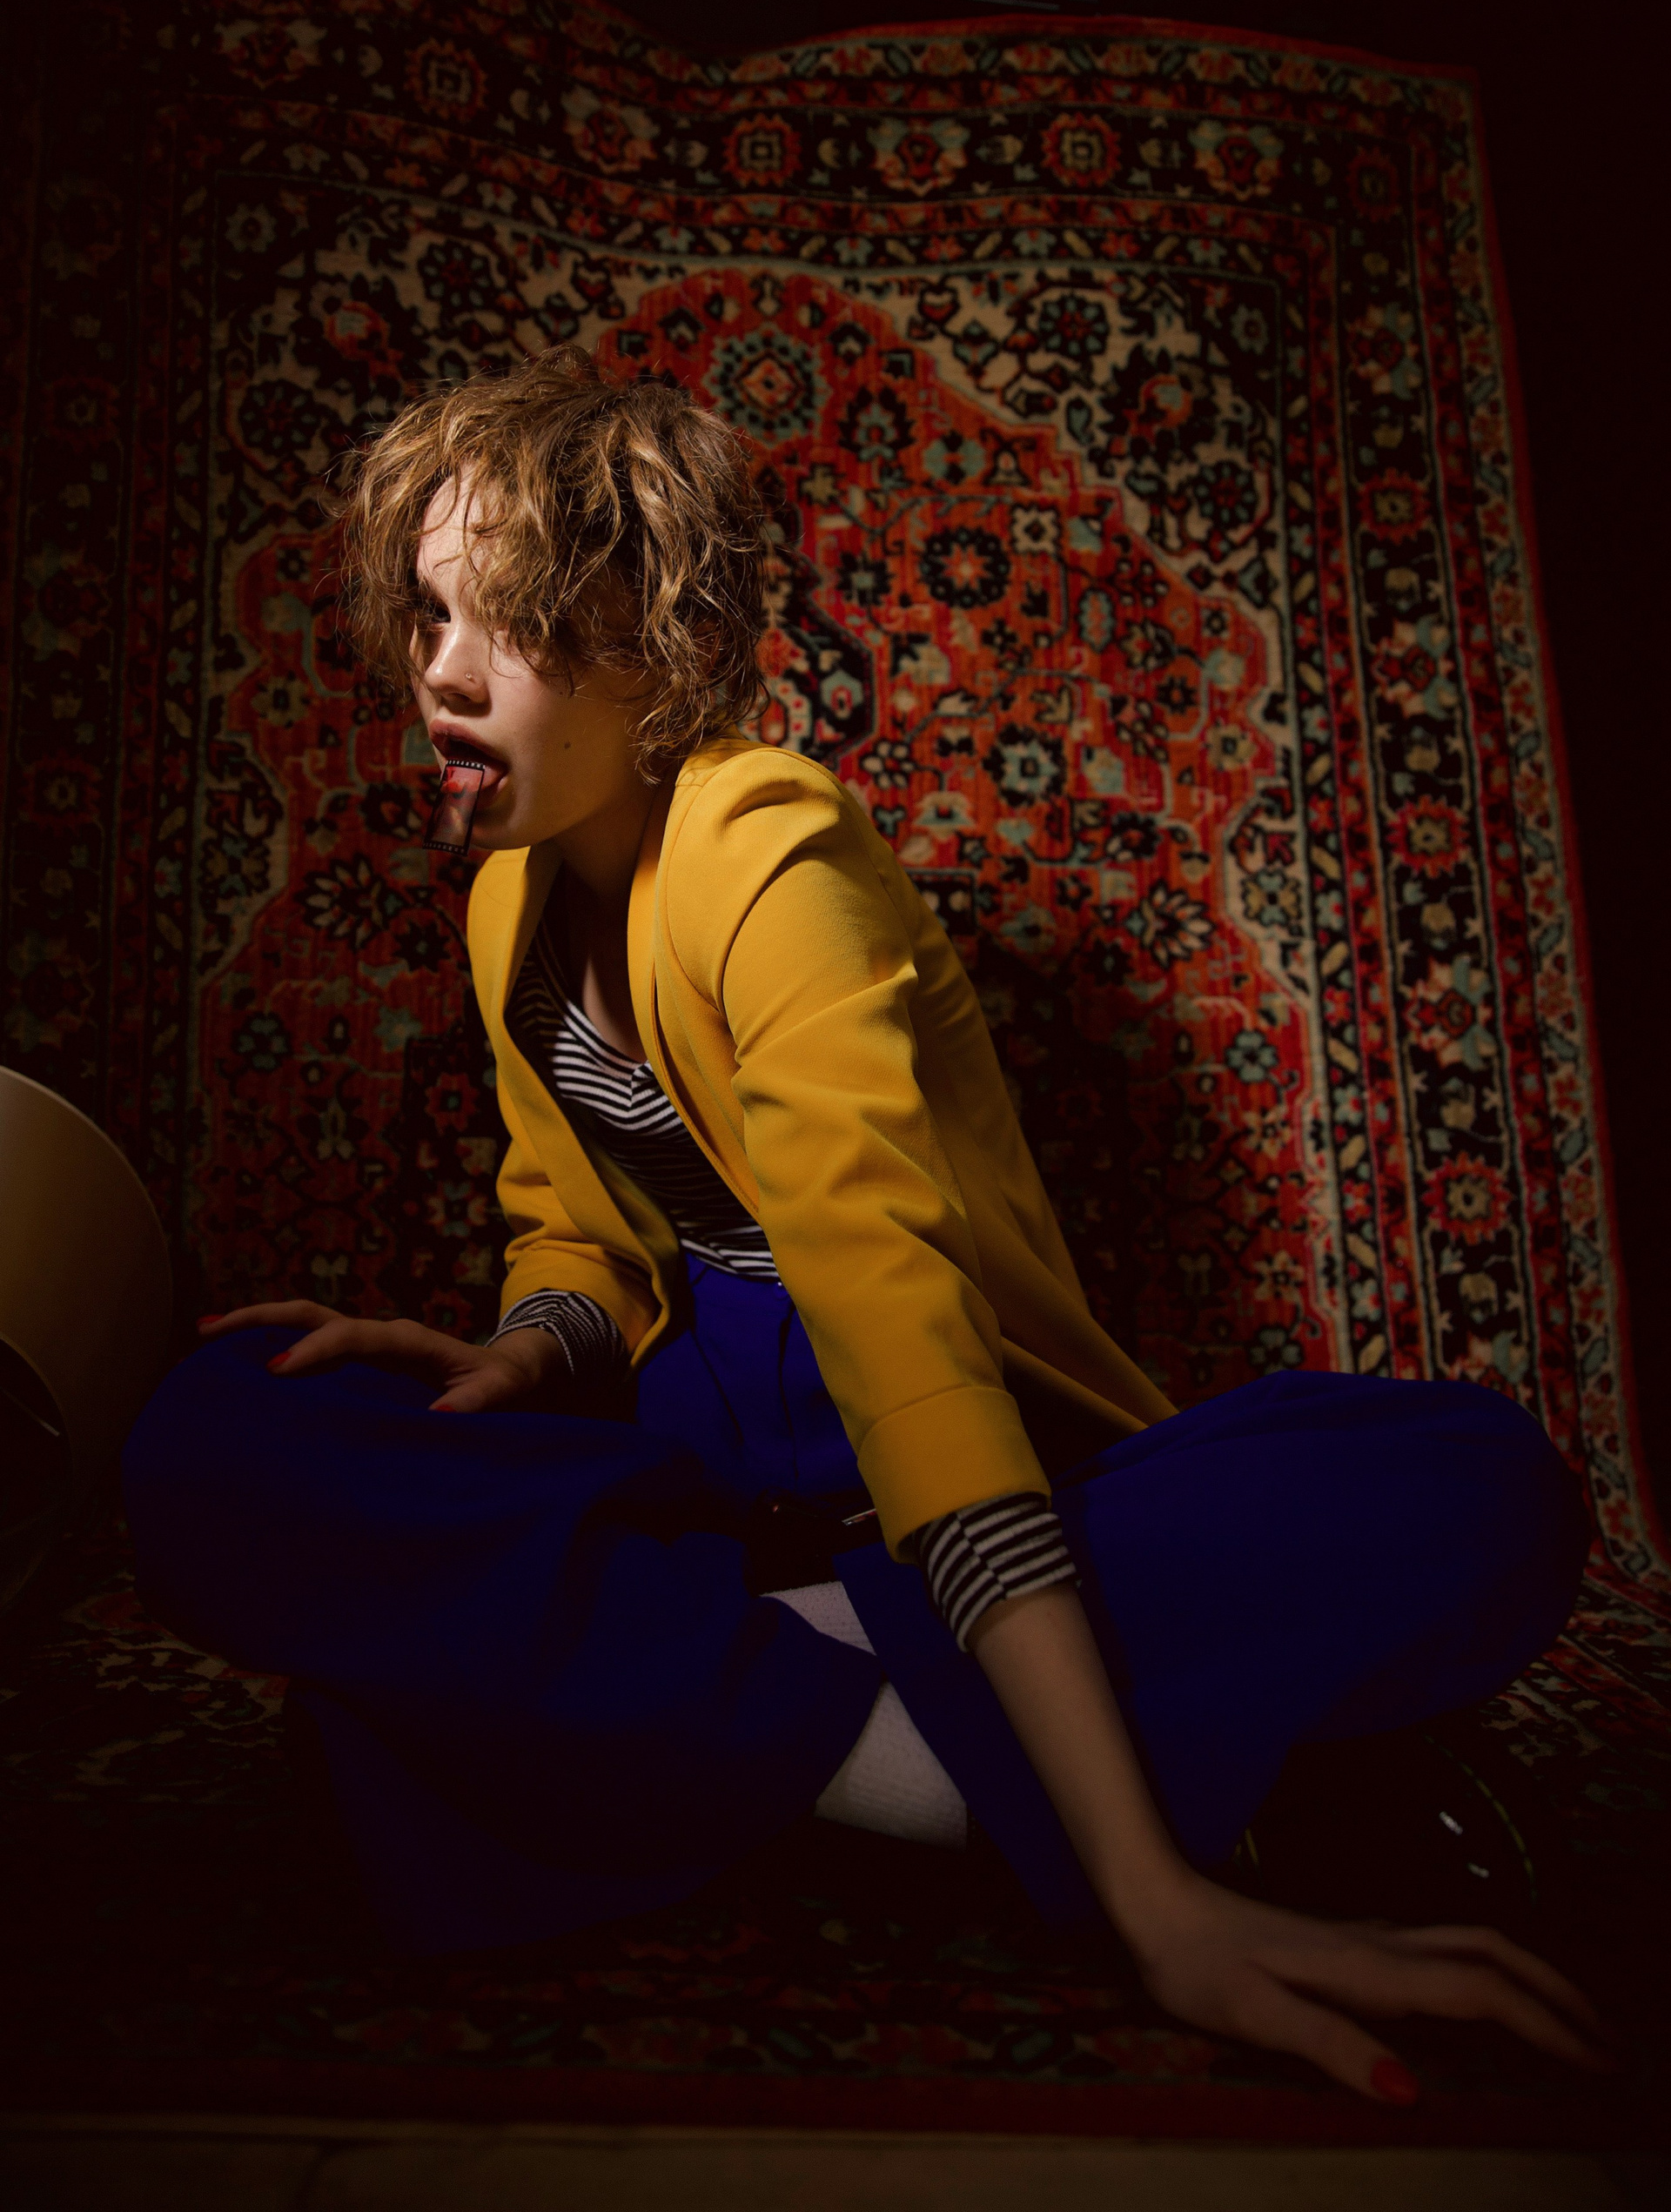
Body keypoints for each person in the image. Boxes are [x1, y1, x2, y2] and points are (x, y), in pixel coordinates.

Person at [124, 346, 1605, 2106]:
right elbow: (578, 1235)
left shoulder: (771, 847)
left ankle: (691, 1725)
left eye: (503, 618)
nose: (439, 671)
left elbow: (898, 1331)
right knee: (216, 1432)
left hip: (948, 1480)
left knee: (1478, 1488)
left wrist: (1156, 1908)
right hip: (704, 1510)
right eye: (430, 615)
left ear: (652, 639)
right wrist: (518, 1350)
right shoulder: (506, 901)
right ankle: (941, 1755)